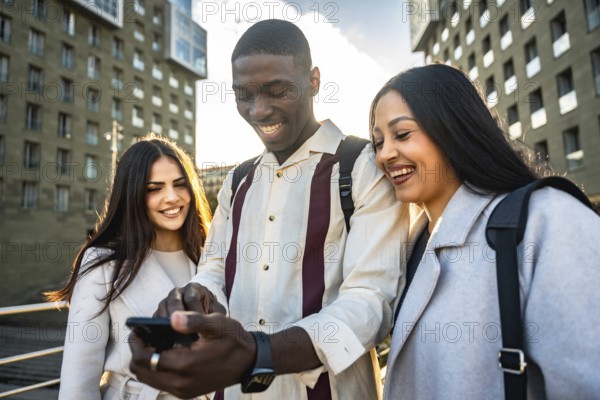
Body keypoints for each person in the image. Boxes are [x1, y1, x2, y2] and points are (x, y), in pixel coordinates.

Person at [129, 19, 406, 400]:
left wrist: (261, 353)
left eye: (278, 91)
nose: (259, 111)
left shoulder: (361, 166)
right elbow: (214, 272)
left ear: (313, 81)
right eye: (244, 94)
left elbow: (371, 301)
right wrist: (193, 299)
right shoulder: (239, 179)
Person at [369, 64, 600, 399]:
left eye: (402, 134)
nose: (384, 154)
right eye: (378, 142)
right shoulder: (408, 247)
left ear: (453, 128)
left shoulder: (547, 218)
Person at [46, 135, 213, 400]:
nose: (172, 197)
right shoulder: (103, 262)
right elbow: (79, 375)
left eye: (180, 185)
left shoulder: (211, 256)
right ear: (132, 194)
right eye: (154, 188)